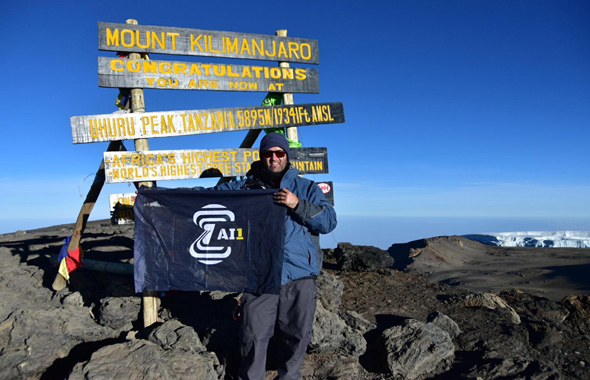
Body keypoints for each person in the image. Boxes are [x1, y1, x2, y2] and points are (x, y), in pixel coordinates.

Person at [215, 132, 337, 380]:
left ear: (286, 156)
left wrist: (297, 204)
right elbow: (210, 199)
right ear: (262, 156)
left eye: (279, 153)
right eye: (268, 153)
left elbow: (328, 222)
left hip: (299, 275)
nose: (273, 158)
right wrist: (160, 196)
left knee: (298, 336)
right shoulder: (246, 188)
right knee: (252, 336)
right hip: (259, 275)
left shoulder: (306, 188)